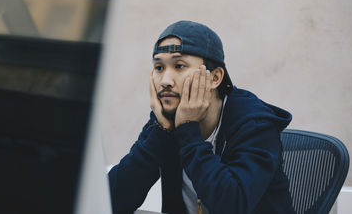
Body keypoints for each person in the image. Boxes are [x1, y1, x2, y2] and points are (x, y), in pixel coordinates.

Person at [108, 20, 295, 214]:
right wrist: (161, 133)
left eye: (179, 66)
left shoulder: (256, 125)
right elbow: (111, 202)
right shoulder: (166, 120)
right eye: (159, 67)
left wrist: (188, 130)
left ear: (215, 78)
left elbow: (232, 205)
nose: (165, 81)